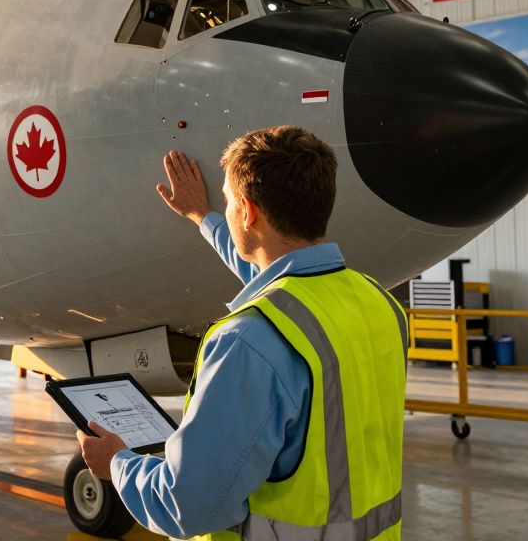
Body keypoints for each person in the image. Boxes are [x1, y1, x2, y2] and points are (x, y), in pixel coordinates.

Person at [77, 126, 408, 540]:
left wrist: (117, 463)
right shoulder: (379, 304)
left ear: (248, 213)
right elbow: (273, 278)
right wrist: (204, 217)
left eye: (230, 202)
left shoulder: (249, 341)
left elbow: (186, 505)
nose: (229, 210)